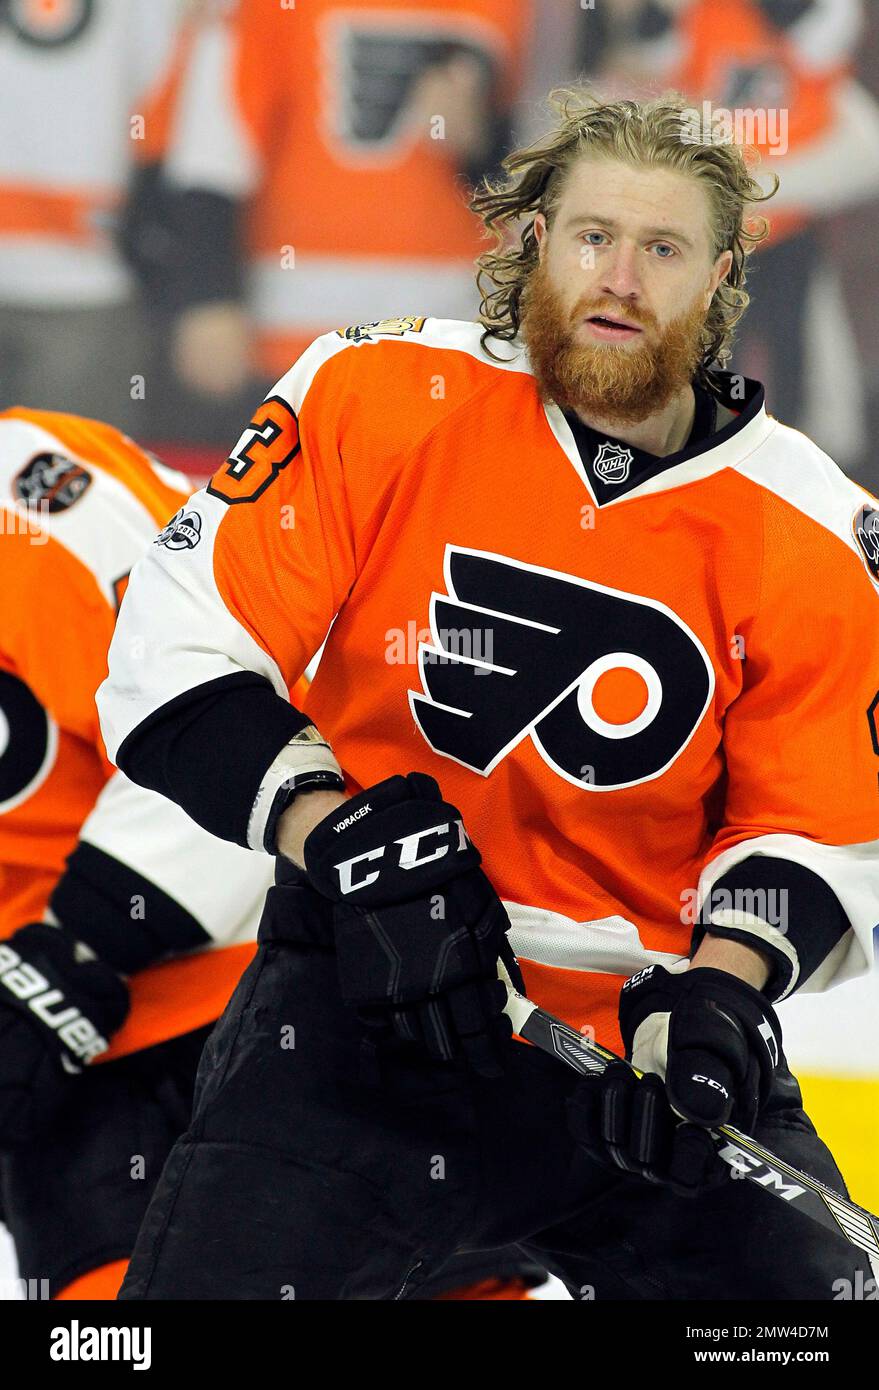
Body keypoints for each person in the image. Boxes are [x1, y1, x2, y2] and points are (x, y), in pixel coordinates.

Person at [98, 89, 879, 1300]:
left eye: (663, 248)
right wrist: (342, 839)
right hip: (361, 1000)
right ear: (535, 240)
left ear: (723, 275)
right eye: (593, 236)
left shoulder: (820, 531)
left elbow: (822, 824)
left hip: (637, 1054)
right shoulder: (377, 390)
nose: (620, 279)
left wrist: (721, 1002)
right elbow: (177, 646)